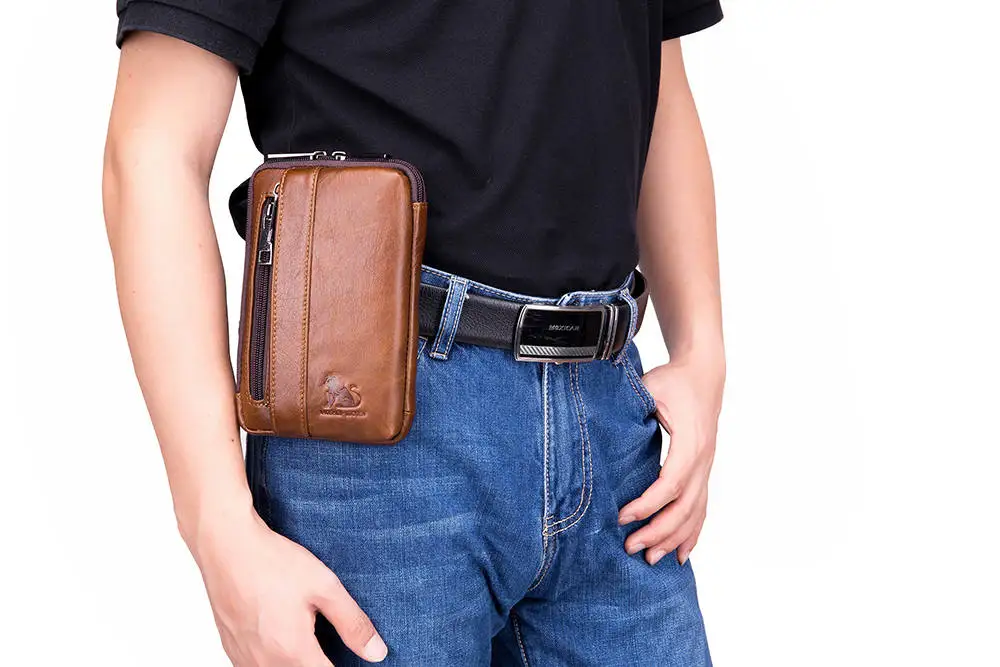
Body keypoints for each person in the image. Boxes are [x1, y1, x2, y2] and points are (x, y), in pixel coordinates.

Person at [103, 1, 726, 665]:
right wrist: (219, 528)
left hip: (611, 419)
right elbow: (152, 150)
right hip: (375, 434)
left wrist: (702, 350)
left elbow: (655, 63)